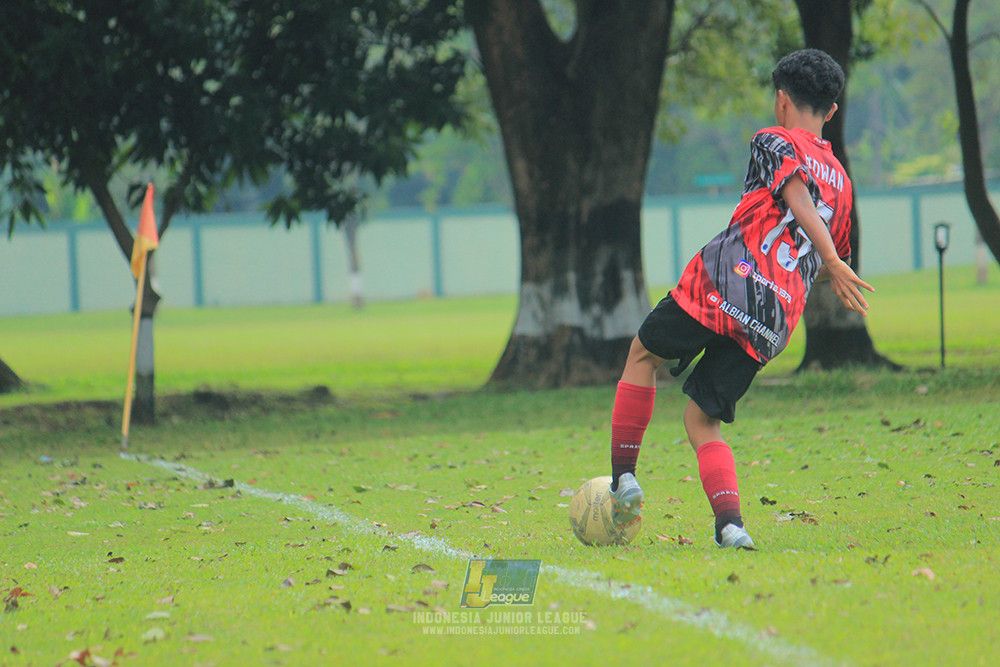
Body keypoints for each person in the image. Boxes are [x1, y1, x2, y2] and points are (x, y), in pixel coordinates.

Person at [607, 49, 874, 549]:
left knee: (643, 354)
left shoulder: (773, 139)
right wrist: (830, 262)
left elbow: (795, 196)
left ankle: (623, 479)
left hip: (724, 283)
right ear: (832, 111)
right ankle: (731, 526)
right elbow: (821, 253)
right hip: (773, 318)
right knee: (702, 418)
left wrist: (831, 261)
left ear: (780, 100)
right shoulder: (842, 184)